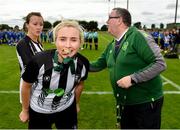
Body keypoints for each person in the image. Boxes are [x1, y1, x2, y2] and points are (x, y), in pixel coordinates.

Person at [90, 7, 166, 129]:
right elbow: (97, 65)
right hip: (125, 103)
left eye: (109, 18)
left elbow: (160, 63)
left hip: (145, 104)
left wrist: (133, 78)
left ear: (119, 20)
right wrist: (76, 60)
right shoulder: (112, 44)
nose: (106, 21)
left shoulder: (137, 36)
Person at [19, 20, 89, 129]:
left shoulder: (83, 63)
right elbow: (26, 86)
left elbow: (80, 84)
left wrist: (76, 104)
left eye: (74, 40)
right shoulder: (38, 61)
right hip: (39, 111)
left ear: (81, 42)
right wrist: (25, 110)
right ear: (55, 41)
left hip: (66, 109)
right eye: (62, 39)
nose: (68, 45)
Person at [16, 12, 44, 103]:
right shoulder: (23, 43)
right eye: (35, 24)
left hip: (39, 86)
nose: (39, 27)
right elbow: (31, 66)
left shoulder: (39, 44)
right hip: (28, 87)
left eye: (41, 24)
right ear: (27, 25)